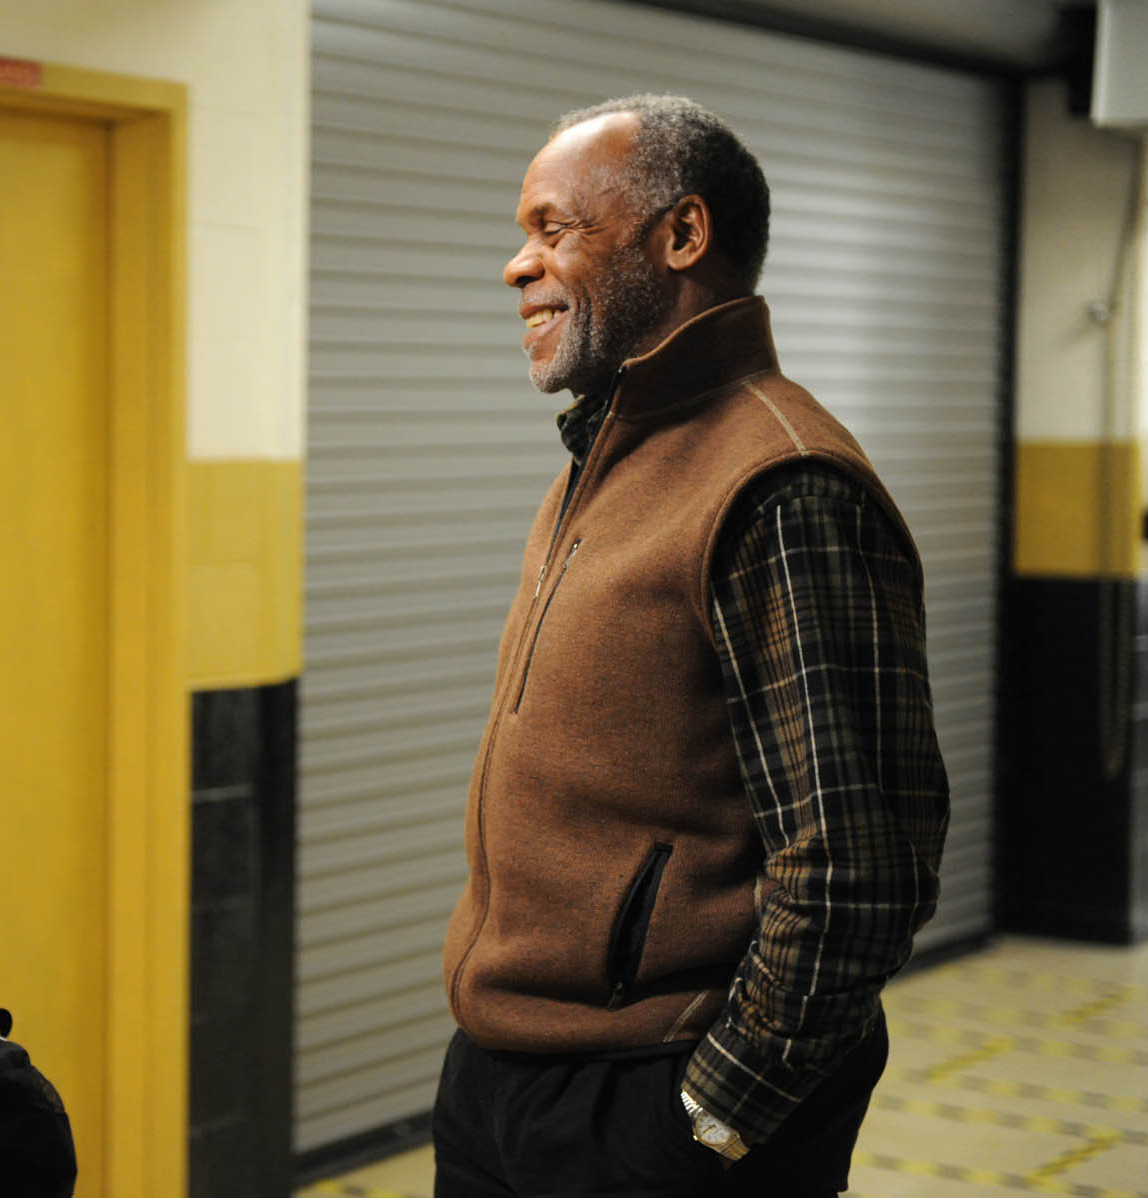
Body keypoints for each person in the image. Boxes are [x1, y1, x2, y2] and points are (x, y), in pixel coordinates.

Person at [434, 95, 950, 1197]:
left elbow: (856, 870)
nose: (517, 267)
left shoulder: (780, 483)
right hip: (504, 1080)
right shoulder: (602, 457)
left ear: (681, 236)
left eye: (552, 227)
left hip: (653, 1103)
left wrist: (714, 1118)